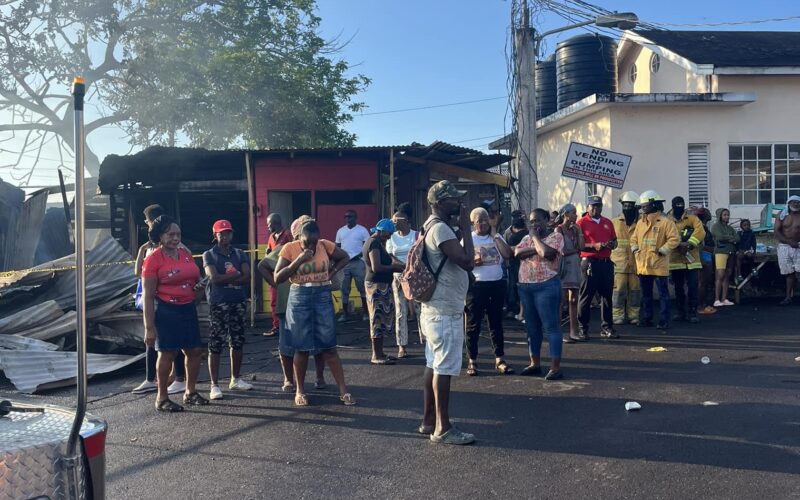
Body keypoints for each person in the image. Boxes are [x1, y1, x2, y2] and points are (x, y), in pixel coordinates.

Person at [418, 180, 476, 445]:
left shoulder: (430, 226)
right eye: (454, 200)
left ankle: (429, 420)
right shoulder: (441, 229)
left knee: (433, 364)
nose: (460, 204)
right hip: (444, 311)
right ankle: (443, 428)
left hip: (433, 309)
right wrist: (467, 229)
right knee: (443, 367)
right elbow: (466, 261)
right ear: (440, 204)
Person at [275, 219, 355, 406]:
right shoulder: (289, 248)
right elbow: (278, 277)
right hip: (300, 296)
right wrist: (300, 259)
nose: (311, 245)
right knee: (301, 347)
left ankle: (343, 391)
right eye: (306, 242)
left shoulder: (324, 245)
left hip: (322, 295)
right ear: (299, 237)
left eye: (314, 241)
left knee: (329, 346)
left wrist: (332, 271)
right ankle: (300, 391)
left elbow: (345, 257)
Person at [141, 216, 208, 412]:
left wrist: (200, 287)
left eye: (178, 234)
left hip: (188, 308)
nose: (175, 238)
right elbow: (147, 296)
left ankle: (190, 392)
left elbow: (195, 278)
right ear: (160, 236)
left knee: (194, 351)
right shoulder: (153, 260)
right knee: (167, 353)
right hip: (167, 311)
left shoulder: (185, 254)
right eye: (170, 234)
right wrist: (149, 328)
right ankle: (162, 398)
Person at [257, 216, 326, 393]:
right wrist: (276, 285)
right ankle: (289, 379)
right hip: (287, 303)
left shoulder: (320, 247)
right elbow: (263, 265)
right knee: (287, 345)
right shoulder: (284, 250)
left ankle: (320, 377)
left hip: (313, 303)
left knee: (319, 344)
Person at [131, 204, 186, 395]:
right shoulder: (149, 249)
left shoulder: (177, 248)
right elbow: (138, 271)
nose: (147, 226)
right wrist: (141, 251)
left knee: (174, 341)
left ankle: (179, 378)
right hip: (153, 301)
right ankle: (150, 379)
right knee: (152, 339)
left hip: (171, 302)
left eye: (147, 222)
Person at [202, 220, 253, 400]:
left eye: (228, 233)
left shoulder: (239, 253)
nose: (225, 236)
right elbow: (214, 278)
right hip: (219, 303)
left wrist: (229, 278)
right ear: (215, 235)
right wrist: (236, 275)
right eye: (221, 233)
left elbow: (248, 276)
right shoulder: (209, 254)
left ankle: (235, 379)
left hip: (238, 302)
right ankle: (214, 384)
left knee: (237, 340)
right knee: (216, 342)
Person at [515, 208, 565, 379]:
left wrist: (534, 239)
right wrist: (537, 248)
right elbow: (517, 253)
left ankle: (555, 367)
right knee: (532, 328)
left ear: (546, 220)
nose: (534, 224)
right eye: (532, 221)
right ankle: (534, 363)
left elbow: (548, 253)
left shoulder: (556, 237)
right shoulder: (525, 238)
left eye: (537, 220)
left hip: (546, 286)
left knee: (551, 327)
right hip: (526, 287)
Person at [465, 206, 514, 376]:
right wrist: (471, 261)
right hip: (477, 287)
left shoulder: (496, 237)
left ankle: (499, 358)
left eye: (486, 219)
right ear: (473, 223)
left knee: (496, 324)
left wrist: (495, 234)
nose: (484, 223)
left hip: (496, 284)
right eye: (480, 220)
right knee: (473, 325)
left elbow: (507, 254)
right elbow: (459, 261)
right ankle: (472, 360)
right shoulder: (468, 239)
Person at [630, 191, 680, 329]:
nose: (643, 208)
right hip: (643, 264)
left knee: (663, 295)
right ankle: (647, 318)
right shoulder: (641, 222)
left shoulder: (666, 222)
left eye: (645, 206)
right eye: (642, 206)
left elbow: (674, 239)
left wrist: (663, 250)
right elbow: (633, 238)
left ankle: (664, 320)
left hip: (658, 263)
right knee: (646, 295)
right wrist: (635, 249)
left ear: (653, 204)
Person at [364, 218, 406, 365]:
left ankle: (380, 352)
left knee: (381, 319)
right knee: (377, 318)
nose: (389, 237)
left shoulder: (377, 243)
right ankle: (376, 354)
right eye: (388, 234)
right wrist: (395, 268)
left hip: (381, 284)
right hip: (376, 285)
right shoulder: (374, 243)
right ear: (381, 231)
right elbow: (377, 267)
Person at [576, 195, 618, 340]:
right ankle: (582, 329)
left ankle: (607, 327)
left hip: (606, 262)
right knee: (586, 297)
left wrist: (612, 244)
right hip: (590, 262)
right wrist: (594, 246)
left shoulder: (607, 222)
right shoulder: (581, 223)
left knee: (606, 296)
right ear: (587, 207)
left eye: (598, 206)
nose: (596, 208)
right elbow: (578, 245)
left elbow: (614, 239)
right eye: (593, 206)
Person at [385, 210, 420, 354]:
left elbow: (419, 253)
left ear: (405, 220)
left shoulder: (416, 235)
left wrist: (410, 269)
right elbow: (390, 256)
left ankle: (427, 342)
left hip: (415, 275)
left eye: (395, 220)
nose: (393, 223)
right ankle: (402, 345)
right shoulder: (391, 238)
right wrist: (403, 267)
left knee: (420, 309)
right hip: (398, 276)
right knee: (400, 311)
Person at [668, 196, 705, 324]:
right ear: (672, 205)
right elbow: (665, 235)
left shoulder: (692, 218)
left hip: (692, 260)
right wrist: (678, 245)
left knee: (693, 287)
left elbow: (700, 232)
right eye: (677, 204)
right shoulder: (667, 220)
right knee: (678, 288)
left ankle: (693, 312)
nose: (679, 207)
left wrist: (689, 244)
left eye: (681, 204)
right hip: (675, 260)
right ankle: (680, 312)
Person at [610, 191, 640, 327]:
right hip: (619, 263)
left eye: (630, 205)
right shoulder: (614, 223)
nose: (627, 208)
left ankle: (634, 315)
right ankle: (617, 316)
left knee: (635, 291)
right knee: (619, 291)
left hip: (636, 264)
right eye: (625, 205)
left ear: (636, 207)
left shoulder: (641, 223)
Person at [555, 204, 584, 343]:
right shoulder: (558, 230)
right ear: (566, 214)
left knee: (574, 300)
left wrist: (579, 232)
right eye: (573, 213)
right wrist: (576, 251)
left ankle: (573, 331)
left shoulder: (574, 230)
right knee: (561, 301)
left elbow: (582, 246)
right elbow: (562, 251)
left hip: (574, 266)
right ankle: (558, 333)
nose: (576, 215)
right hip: (564, 267)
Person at [335, 209, 370, 322]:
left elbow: (367, 246)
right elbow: (337, 247)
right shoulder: (340, 231)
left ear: (355, 218)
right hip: (345, 263)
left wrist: (358, 255)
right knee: (344, 289)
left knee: (362, 288)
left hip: (358, 262)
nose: (348, 219)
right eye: (346, 217)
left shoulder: (362, 230)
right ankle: (345, 314)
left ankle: (366, 312)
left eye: (350, 216)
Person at [264, 213, 293, 337]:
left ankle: (288, 326)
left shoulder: (287, 235)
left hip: (286, 274)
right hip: (274, 273)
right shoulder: (271, 237)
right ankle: (277, 326)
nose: (267, 227)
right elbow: (269, 253)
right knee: (274, 301)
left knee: (286, 301)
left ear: (276, 223)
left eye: (269, 224)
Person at [774, 196, 800, 305]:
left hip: (798, 246)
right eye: (794, 202)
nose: (796, 204)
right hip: (784, 247)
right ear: (789, 203)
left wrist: (796, 243)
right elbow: (776, 231)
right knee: (789, 273)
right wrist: (789, 242)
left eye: (798, 202)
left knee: (799, 272)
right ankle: (788, 297)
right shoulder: (782, 215)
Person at [710, 208, 739, 307]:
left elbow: (737, 238)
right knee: (720, 275)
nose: (727, 216)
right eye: (725, 215)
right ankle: (717, 299)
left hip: (731, 252)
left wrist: (728, 238)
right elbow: (719, 237)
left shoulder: (730, 228)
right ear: (720, 216)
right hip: (720, 252)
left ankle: (724, 298)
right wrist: (730, 238)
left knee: (727, 275)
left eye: (728, 214)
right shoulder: (715, 226)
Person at [503, 209, 528, 319]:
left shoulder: (527, 232)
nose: (518, 219)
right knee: (512, 285)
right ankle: (512, 308)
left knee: (523, 285)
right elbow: (504, 247)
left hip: (525, 262)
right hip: (512, 262)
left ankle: (522, 309)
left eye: (520, 217)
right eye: (516, 217)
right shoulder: (508, 232)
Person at [694, 207, 717, 315]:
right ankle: (700, 306)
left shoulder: (703, 227)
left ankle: (702, 304)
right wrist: (702, 259)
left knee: (704, 282)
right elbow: (700, 245)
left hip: (706, 255)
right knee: (702, 282)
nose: (710, 214)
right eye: (707, 212)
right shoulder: (700, 228)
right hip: (703, 256)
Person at [735, 218, 756, 283]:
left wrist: (754, 250)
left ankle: (752, 268)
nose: (746, 226)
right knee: (739, 257)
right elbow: (737, 243)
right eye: (744, 225)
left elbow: (754, 242)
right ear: (741, 226)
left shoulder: (751, 233)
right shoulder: (739, 233)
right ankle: (739, 274)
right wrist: (738, 250)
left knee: (750, 255)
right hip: (741, 250)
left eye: (748, 225)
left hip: (748, 249)